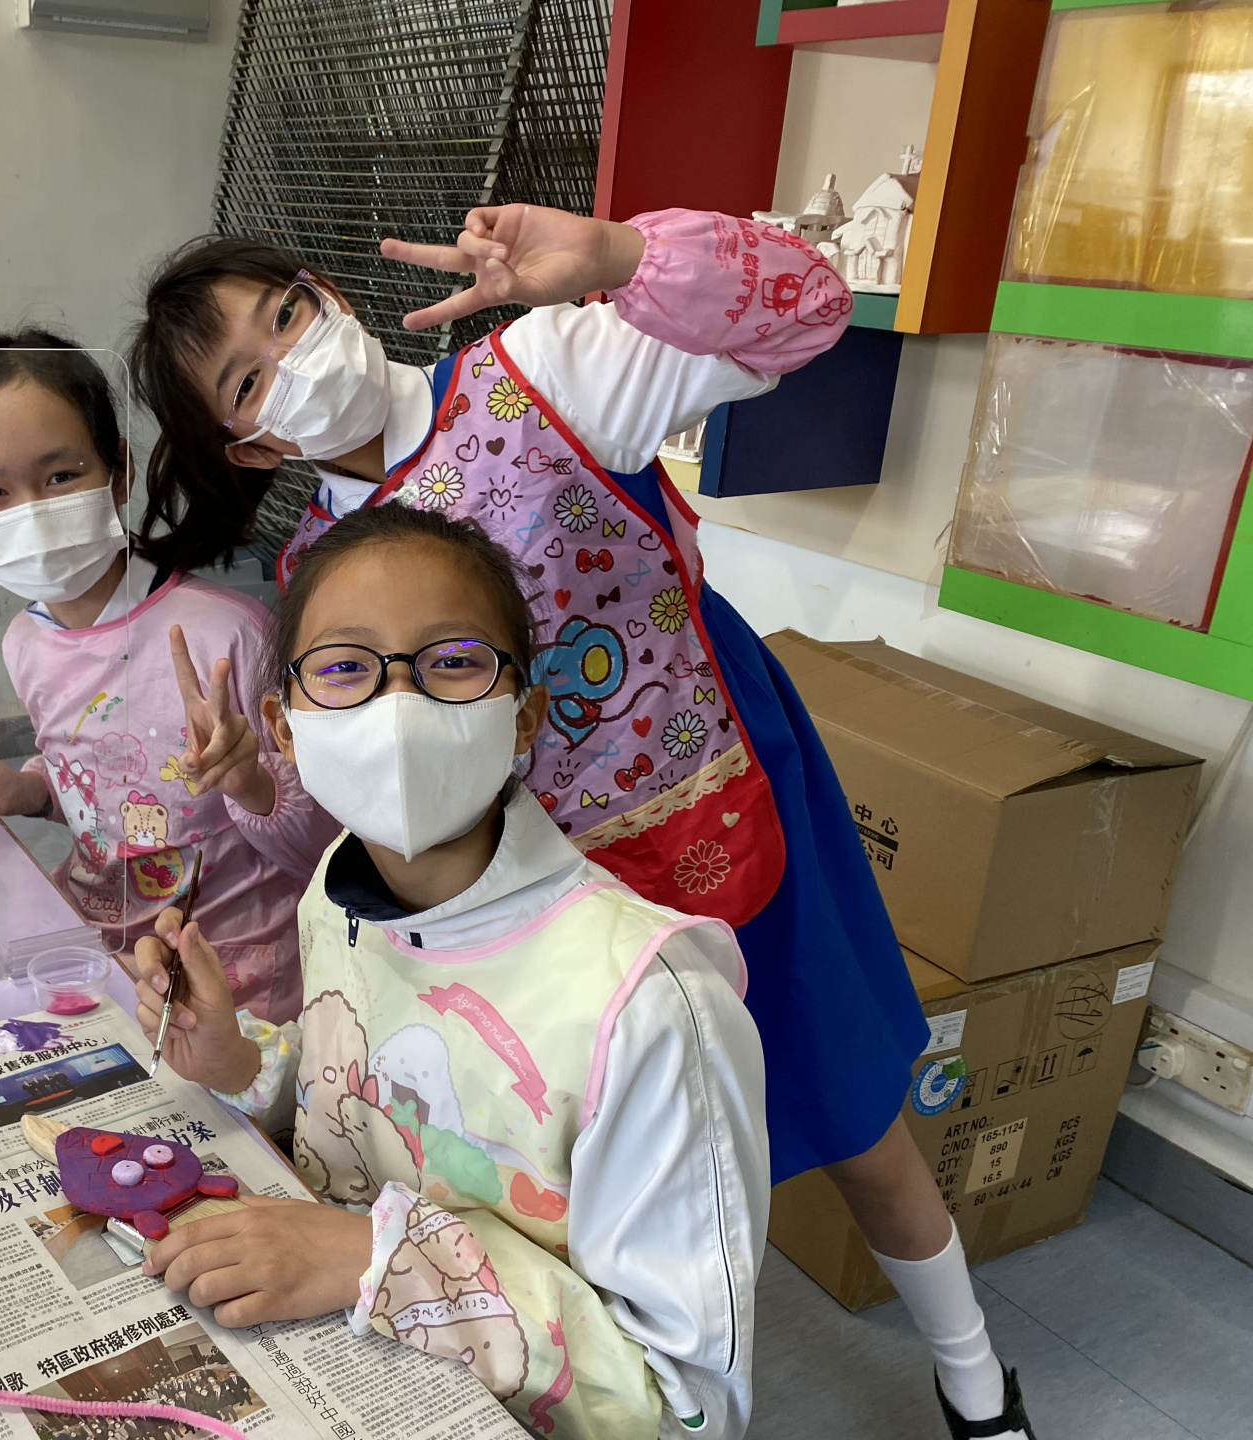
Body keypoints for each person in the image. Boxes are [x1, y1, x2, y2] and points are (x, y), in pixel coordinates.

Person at [128, 205, 1033, 1440]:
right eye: (248, 378)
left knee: (854, 1116)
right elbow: (350, 835)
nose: (291, 357)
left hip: (714, 810)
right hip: (532, 915)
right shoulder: (320, 572)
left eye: (287, 315)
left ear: (328, 292)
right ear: (249, 445)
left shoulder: (541, 373)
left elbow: (807, 310)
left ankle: (976, 1383)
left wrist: (619, 260)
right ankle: (617, 1353)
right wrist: (256, 786)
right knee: (567, 1177)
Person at [134, 505, 767, 1440]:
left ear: (524, 717)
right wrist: (238, 1061)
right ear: (285, 726)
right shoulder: (336, 890)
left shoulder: (650, 1005)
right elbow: (358, 1094)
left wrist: (379, 1259)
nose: (399, 704)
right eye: (344, 668)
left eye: (455, 661)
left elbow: (689, 1406)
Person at [0, 331, 338, 1022]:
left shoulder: (228, 635)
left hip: (234, 992)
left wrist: (250, 783)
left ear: (119, 472)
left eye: (59, 477)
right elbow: (101, 784)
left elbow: (320, 846)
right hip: (92, 964)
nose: (30, 510)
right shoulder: (26, 643)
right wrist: (24, 790)